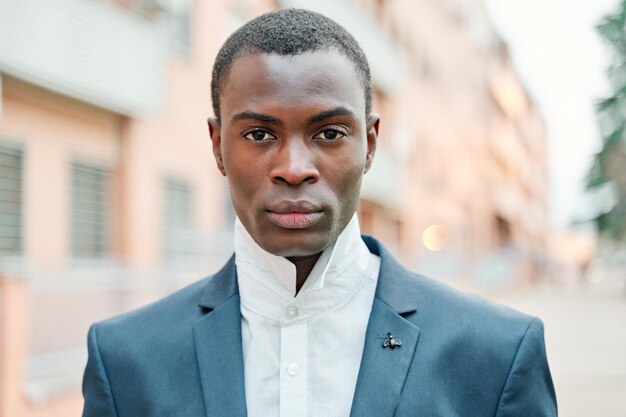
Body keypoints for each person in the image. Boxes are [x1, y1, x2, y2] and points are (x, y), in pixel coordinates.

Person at [82, 8, 557, 417]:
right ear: (217, 145)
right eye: (259, 135)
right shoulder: (126, 360)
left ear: (370, 144)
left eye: (329, 133)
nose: (293, 169)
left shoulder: (496, 354)